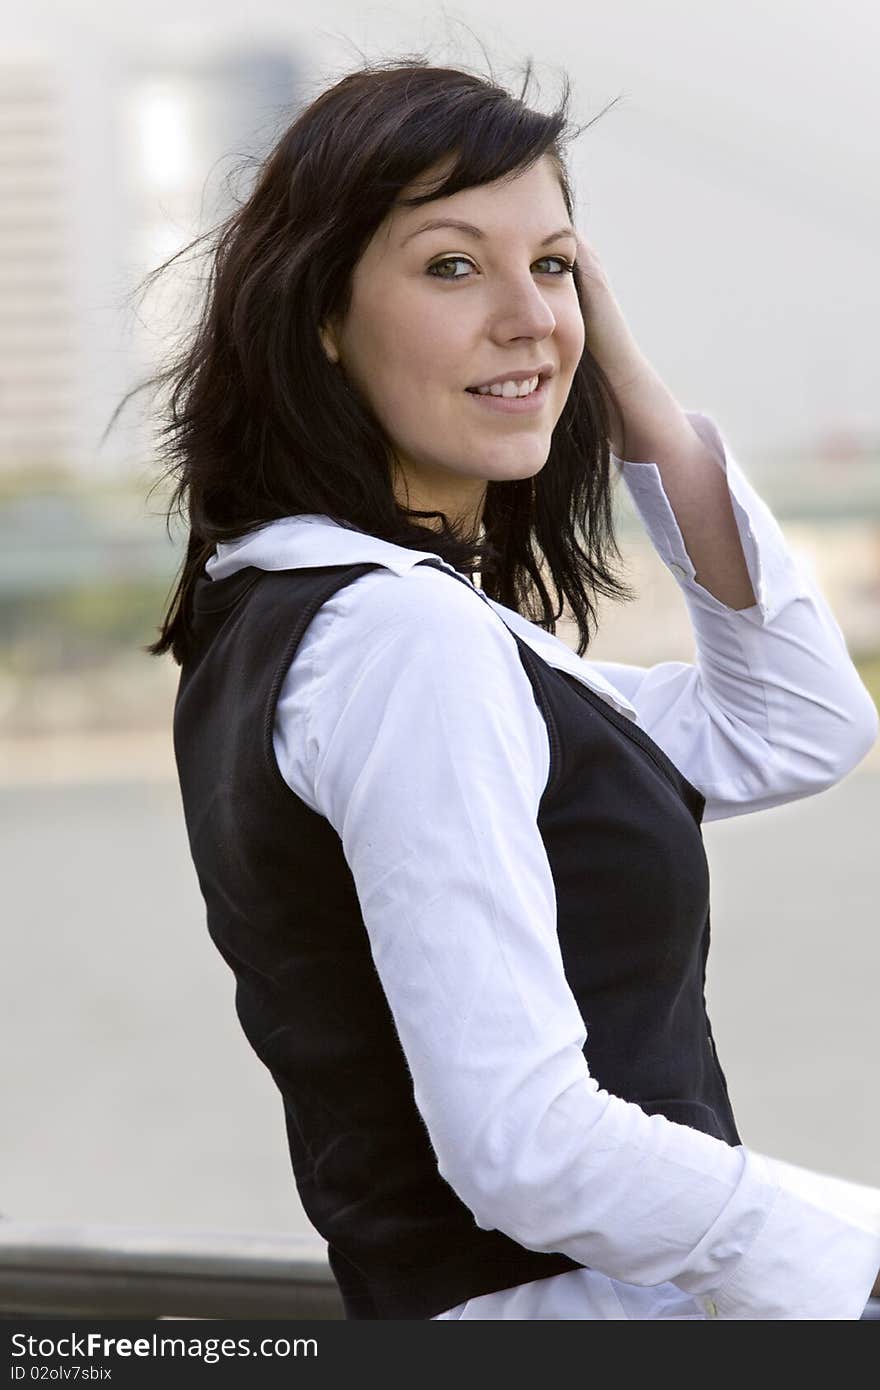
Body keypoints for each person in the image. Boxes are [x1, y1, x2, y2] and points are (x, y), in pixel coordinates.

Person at [139, 58, 880, 1318]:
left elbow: (796, 724)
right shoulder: (398, 641)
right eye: (449, 265)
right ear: (320, 313)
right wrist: (846, 1257)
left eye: (553, 266)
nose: (530, 314)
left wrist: (621, 386)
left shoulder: (311, 619)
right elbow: (524, 1144)